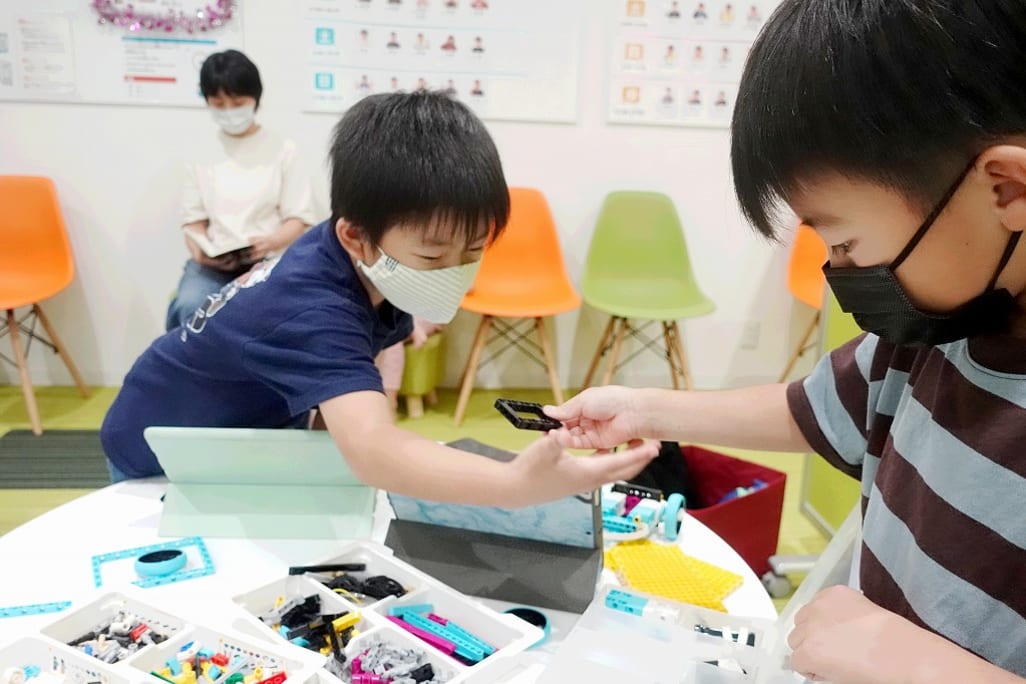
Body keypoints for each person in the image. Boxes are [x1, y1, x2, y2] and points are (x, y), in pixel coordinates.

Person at [546, 1, 1026, 682]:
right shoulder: (937, 330)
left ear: (1007, 188)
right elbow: (815, 409)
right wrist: (643, 409)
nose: (840, 271)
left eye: (846, 243)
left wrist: (919, 665)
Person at [102, 92, 658, 506]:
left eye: (473, 251)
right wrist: (513, 484)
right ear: (357, 236)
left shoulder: (359, 259)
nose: (455, 272)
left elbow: (350, 412)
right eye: (433, 256)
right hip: (159, 450)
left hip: (245, 431)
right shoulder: (312, 309)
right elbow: (371, 447)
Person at [167, 50, 316, 331]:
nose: (228, 111)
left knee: (275, 314)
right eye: (218, 103)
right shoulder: (200, 152)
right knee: (190, 305)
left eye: (237, 103)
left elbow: (298, 217)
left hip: (270, 260)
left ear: (255, 98)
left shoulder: (283, 149)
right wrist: (201, 254)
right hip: (213, 267)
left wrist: (271, 242)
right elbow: (193, 222)